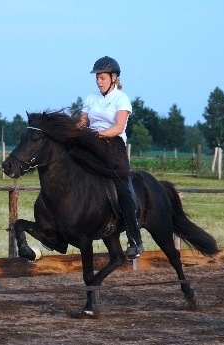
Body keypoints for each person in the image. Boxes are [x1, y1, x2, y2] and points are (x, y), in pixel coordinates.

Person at [77, 56, 144, 259]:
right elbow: (83, 122)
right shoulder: (90, 98)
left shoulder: (121, 99)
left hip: (113, 146)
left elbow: (118, 127)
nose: (98, 81)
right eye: (97, 77)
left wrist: (96, 134)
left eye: (102, 77)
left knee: (123, 187)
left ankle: (134, 239)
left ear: (113, 78)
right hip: (91, 143)